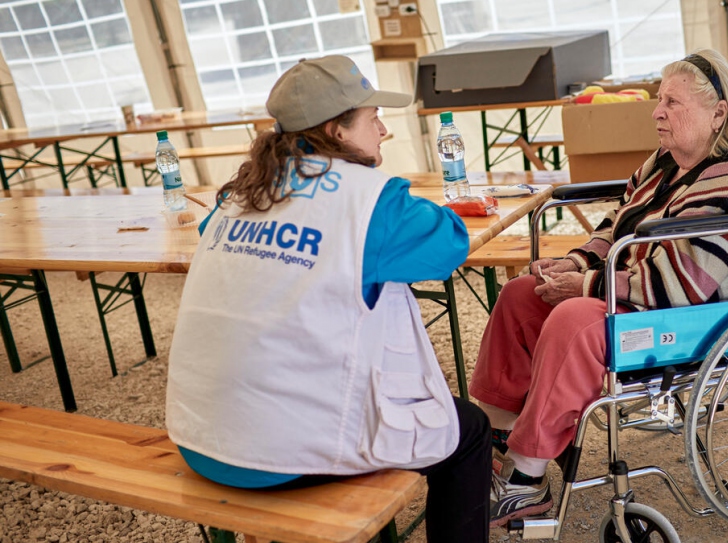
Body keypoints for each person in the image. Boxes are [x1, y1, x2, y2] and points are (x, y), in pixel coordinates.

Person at [165, 56, 491, 542]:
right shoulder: (371, 200)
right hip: (283, 453)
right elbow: (449, 243)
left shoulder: (238, 193)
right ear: (338, 130)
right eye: (372, 118)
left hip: (198, 436)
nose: (383, 130)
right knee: (469, 431)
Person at [471, 48, 728, 528]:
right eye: (660, 99)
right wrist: (573, 263)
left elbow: (681, 284)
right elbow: (616, 225)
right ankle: (499, 444)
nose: (657, 111)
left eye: (673, 103)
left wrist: (587, 286)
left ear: (718, 113)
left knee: (575, 321)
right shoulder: (665, 163)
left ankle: (527, 480)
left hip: (696, 317)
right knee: (521, 295)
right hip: (639, 296)